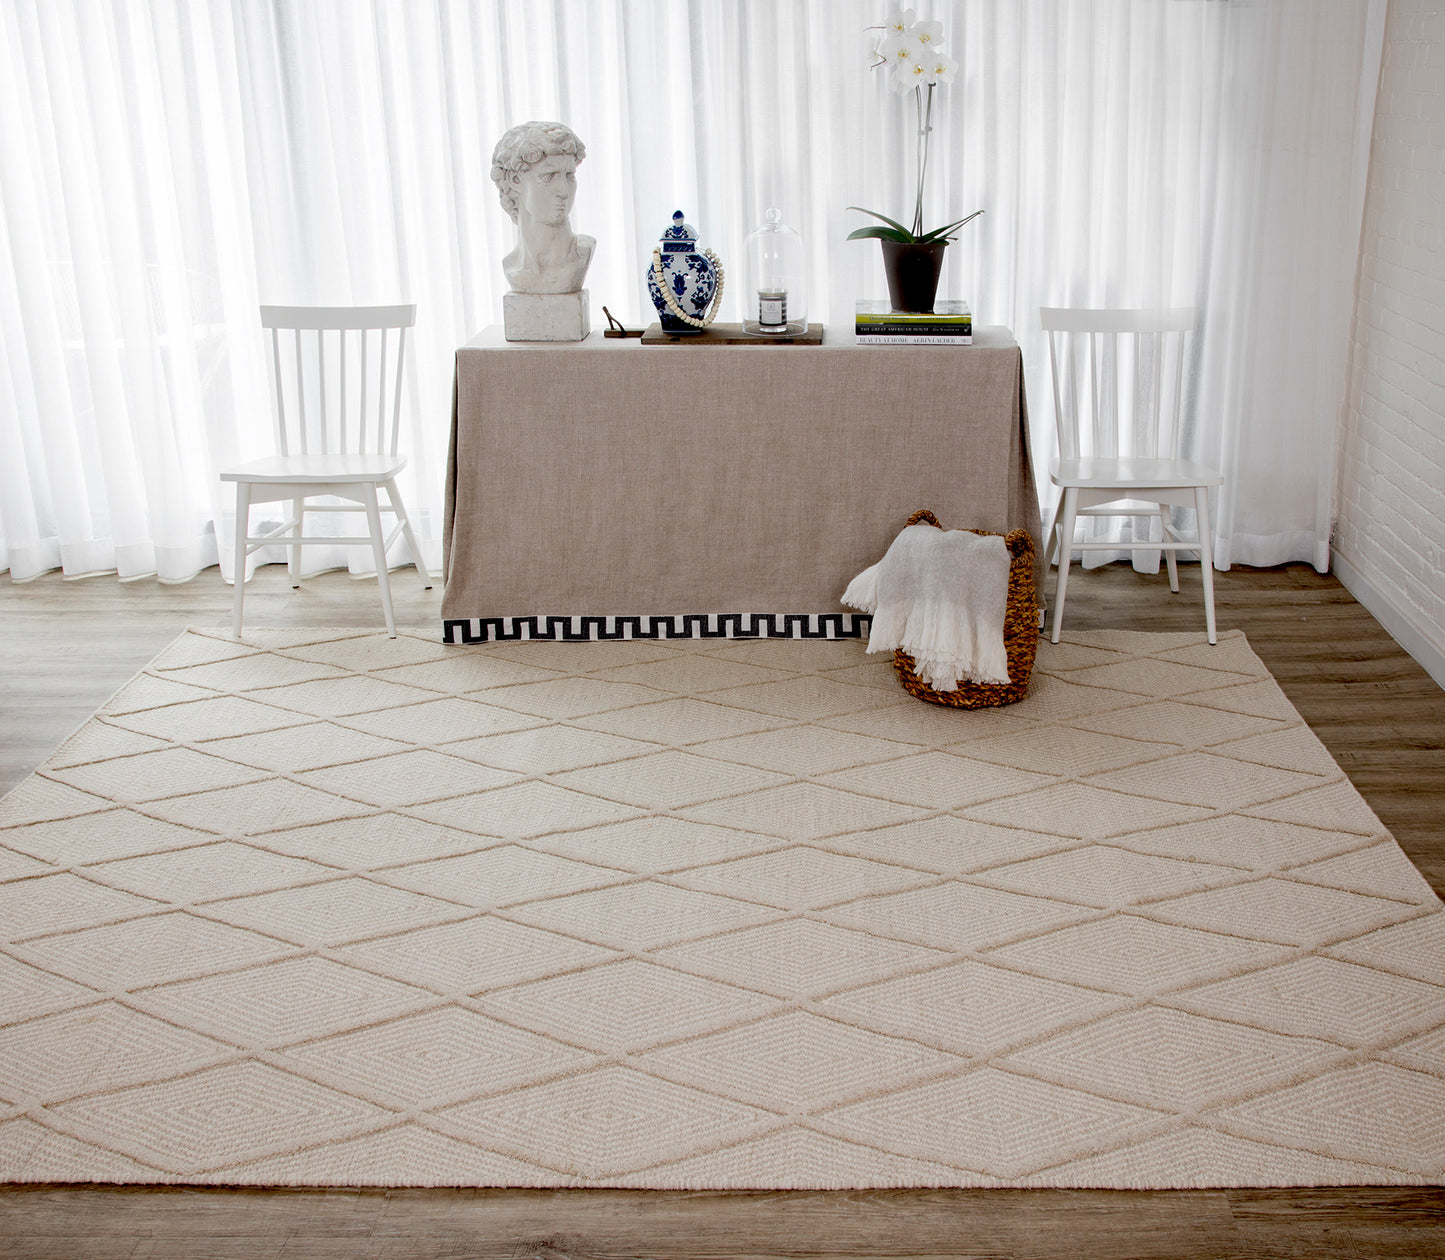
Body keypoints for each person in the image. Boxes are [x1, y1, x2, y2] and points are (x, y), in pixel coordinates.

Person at [490, 121, 595, 295]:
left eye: (569, 176)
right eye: (549, 176)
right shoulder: (511, 266)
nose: (564, 191)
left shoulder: (582, 253)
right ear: (514, 181)